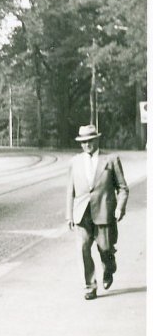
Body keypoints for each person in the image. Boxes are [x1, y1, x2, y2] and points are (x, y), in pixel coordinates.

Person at [66, 124, 129, 300]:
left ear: (97, 140)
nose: (87, 145)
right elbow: (69, 190)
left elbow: (123, 188)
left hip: (104, 212)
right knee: (83, 248)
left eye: (90, 141)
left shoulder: (111, 160)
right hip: (82, 214)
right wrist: (69, 215)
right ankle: (89, 286)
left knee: (106, 249)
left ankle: (109, 268)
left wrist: (119, 208)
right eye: (83, 142)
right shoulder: (75, 162)